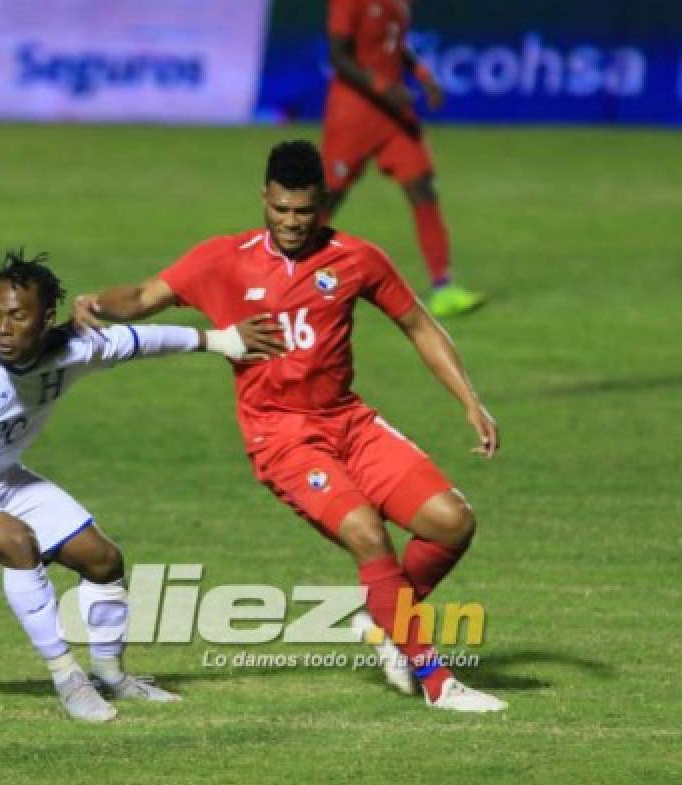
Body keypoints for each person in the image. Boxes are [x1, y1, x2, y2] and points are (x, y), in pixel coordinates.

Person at [72, 141, 507, 713]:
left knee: (452, 523)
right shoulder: (223, 259)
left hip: (348, 421)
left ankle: (382, 620)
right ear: (264, 198)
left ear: (323, 204)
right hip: (281, 437)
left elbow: (419, 325)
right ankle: (436, 682)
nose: (291, 223)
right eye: (280, 210)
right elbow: (146, 295)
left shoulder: (357, 259)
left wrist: (471, 402)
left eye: (304, 212)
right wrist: (94, 302)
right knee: (368, 535)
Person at [0, 250, 276, 722]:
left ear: (46, 319)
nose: (3, 329)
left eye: (18, 317)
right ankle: (69, 680)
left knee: (103, 560)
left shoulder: (76, 348)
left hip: (0, 480)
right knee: (16, 542)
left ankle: (112, 675)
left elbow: (140, 340)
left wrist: (220, 340)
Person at [323, 0, 486, 318]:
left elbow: (395, 44)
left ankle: (443, 288)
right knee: (328, 199)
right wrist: (382, 86)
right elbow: (338, 56)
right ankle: (279, 276)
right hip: (354, 113)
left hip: (393, 114)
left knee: (423, 187)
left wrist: (423, 75)